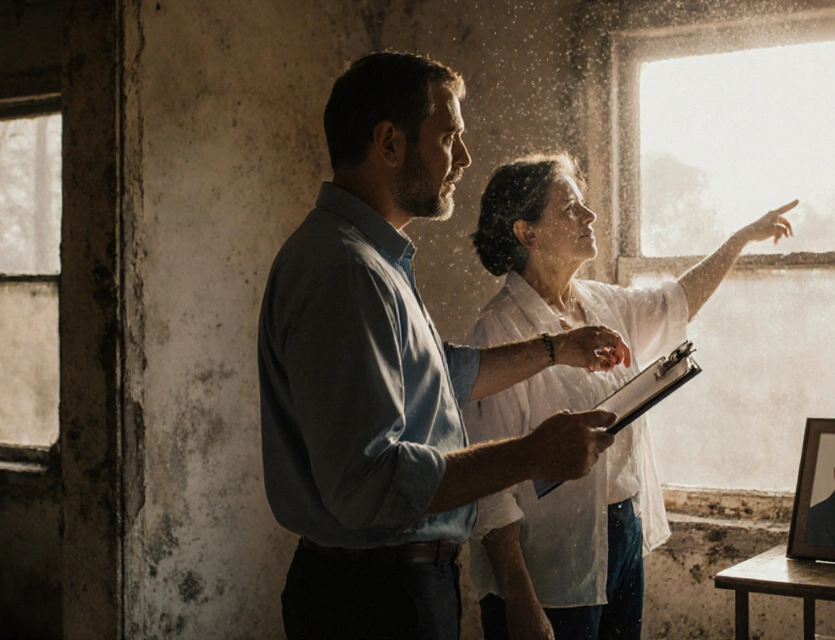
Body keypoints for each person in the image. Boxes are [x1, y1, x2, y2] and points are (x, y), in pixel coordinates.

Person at [258, 53, 640, 640]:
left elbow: (440, 374)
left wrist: (555, 349)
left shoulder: (373, 261)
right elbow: (372, 482)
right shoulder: (346, 272)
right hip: (371, 603)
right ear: (389, 142)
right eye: (449, 137)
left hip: (393, 586)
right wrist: (532, 455)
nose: (462, 158)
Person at [464, 153, 797, 640]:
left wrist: (741, 238)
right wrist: (520, 598)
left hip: (620, 535)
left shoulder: (600, 303)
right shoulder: (499, 334)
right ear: (526, 233)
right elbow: (489, 488)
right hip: (545, 561)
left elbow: (677, 302)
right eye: (570, 208)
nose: (589, 216)